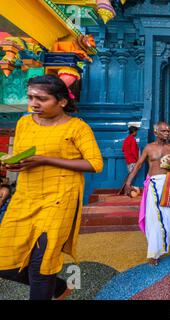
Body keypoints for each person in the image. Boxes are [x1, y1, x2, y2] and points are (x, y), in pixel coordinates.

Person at [0, 75, 103, 300]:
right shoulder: (24, 123)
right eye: (30, 98)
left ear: (62, 102)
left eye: (42, 99)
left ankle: (46, 288)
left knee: (41, 264)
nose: (34, 104)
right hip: (25, 198)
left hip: (59, 200)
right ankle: (57, 288)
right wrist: (14, 163)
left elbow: (95, 163)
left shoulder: (77, 127)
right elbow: (22, 155)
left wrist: (45, 159)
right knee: (4, 262)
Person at [125, 121, 170, 266]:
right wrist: (128, 183)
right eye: (163, 131)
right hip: (153, 186)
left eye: (168, 131)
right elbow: (138, 165)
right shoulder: (149, 148)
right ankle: (154, 253)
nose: (167, 133)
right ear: (156, 132)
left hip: (169, 184)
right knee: (154, 219)